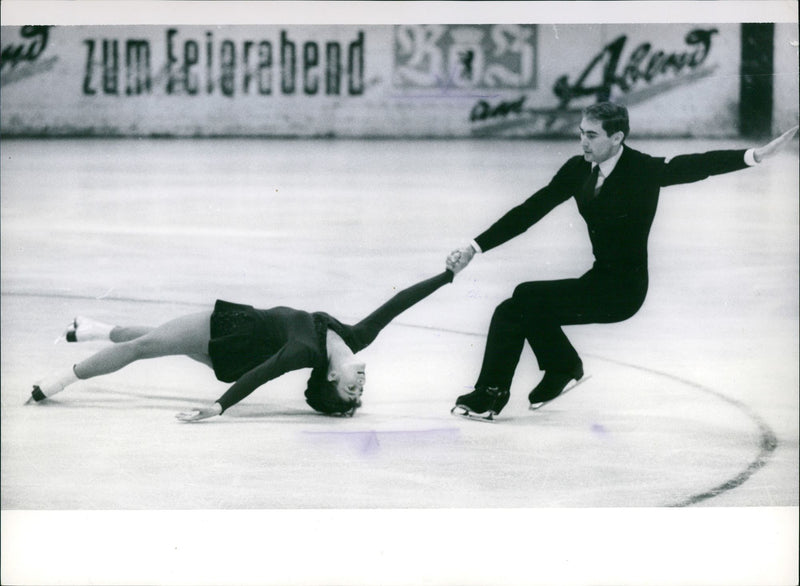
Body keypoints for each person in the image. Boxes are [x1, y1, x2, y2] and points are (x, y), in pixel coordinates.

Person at [447, 101, 798, 420]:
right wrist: (475, 247)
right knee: (525, 296)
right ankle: (561, 367)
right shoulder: (577, 170)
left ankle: (494, 393)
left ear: (617, 138)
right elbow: (530, 210)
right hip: (598, 279)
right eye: (581, 134)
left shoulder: (641, 170)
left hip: (623, 292)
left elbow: (695, 165)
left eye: (592, 136)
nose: (583, 143)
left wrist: (754, 155)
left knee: (515, 309)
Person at [27, 269, 455, 420]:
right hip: (234, 351)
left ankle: (57, 382)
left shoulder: (306, 352)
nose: (360, 383)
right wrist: (447, 275)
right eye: (360, 390)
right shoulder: (357, 337)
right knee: (155, 338)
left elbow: (262, 374)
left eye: (350, 389)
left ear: (330, 376)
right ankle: (93, 329)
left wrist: (220, 406)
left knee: (146, 346)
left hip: (230, 333)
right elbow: (400, 302)